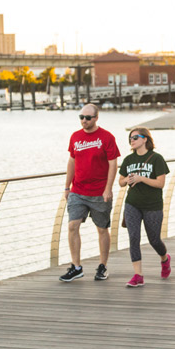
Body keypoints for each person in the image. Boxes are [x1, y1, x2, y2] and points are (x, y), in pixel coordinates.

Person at [60, 104, 120, 282]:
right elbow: (71, 162)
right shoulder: (75, 137)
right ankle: (76, 267)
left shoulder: (107, 137)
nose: (83, 121)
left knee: (102, 229)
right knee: (72, 226)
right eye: (81, 117)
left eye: (87, 118)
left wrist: (108, 188)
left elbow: (113, 164)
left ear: (96, 118)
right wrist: (66, 187)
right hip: (78, 191)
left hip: (99, 193)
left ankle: (103, 266)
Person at [118, 127, 171, 288]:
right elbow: (120, 182)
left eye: (135, 137)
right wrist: (127, 179)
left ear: (145, 139)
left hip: (152, 205)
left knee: (154, 239)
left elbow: (160, 184)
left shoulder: (156, 159)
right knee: (133, 237)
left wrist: (141, 178)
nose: (132, 140)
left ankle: (164, 258)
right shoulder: (128, 160)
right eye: (130, 138)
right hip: (132, 204)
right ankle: (138, 275)